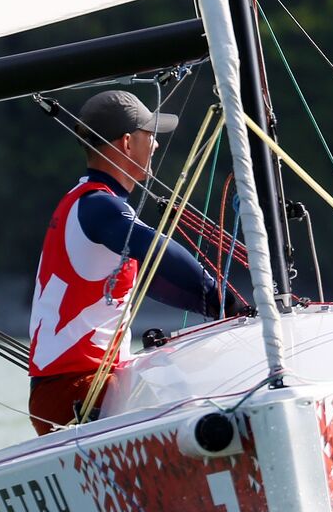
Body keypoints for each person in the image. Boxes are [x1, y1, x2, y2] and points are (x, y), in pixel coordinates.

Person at [27, 91, 241, 435]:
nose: (155, 145)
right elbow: (158, 251)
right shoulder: (99, 206)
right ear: (127, 143)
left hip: (75, 389)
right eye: (150, 135)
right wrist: (225, 301)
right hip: (75, 393)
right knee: (200, 397)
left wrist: (224, 312)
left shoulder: (84, 202)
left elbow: (156, 279)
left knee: (190, 373)